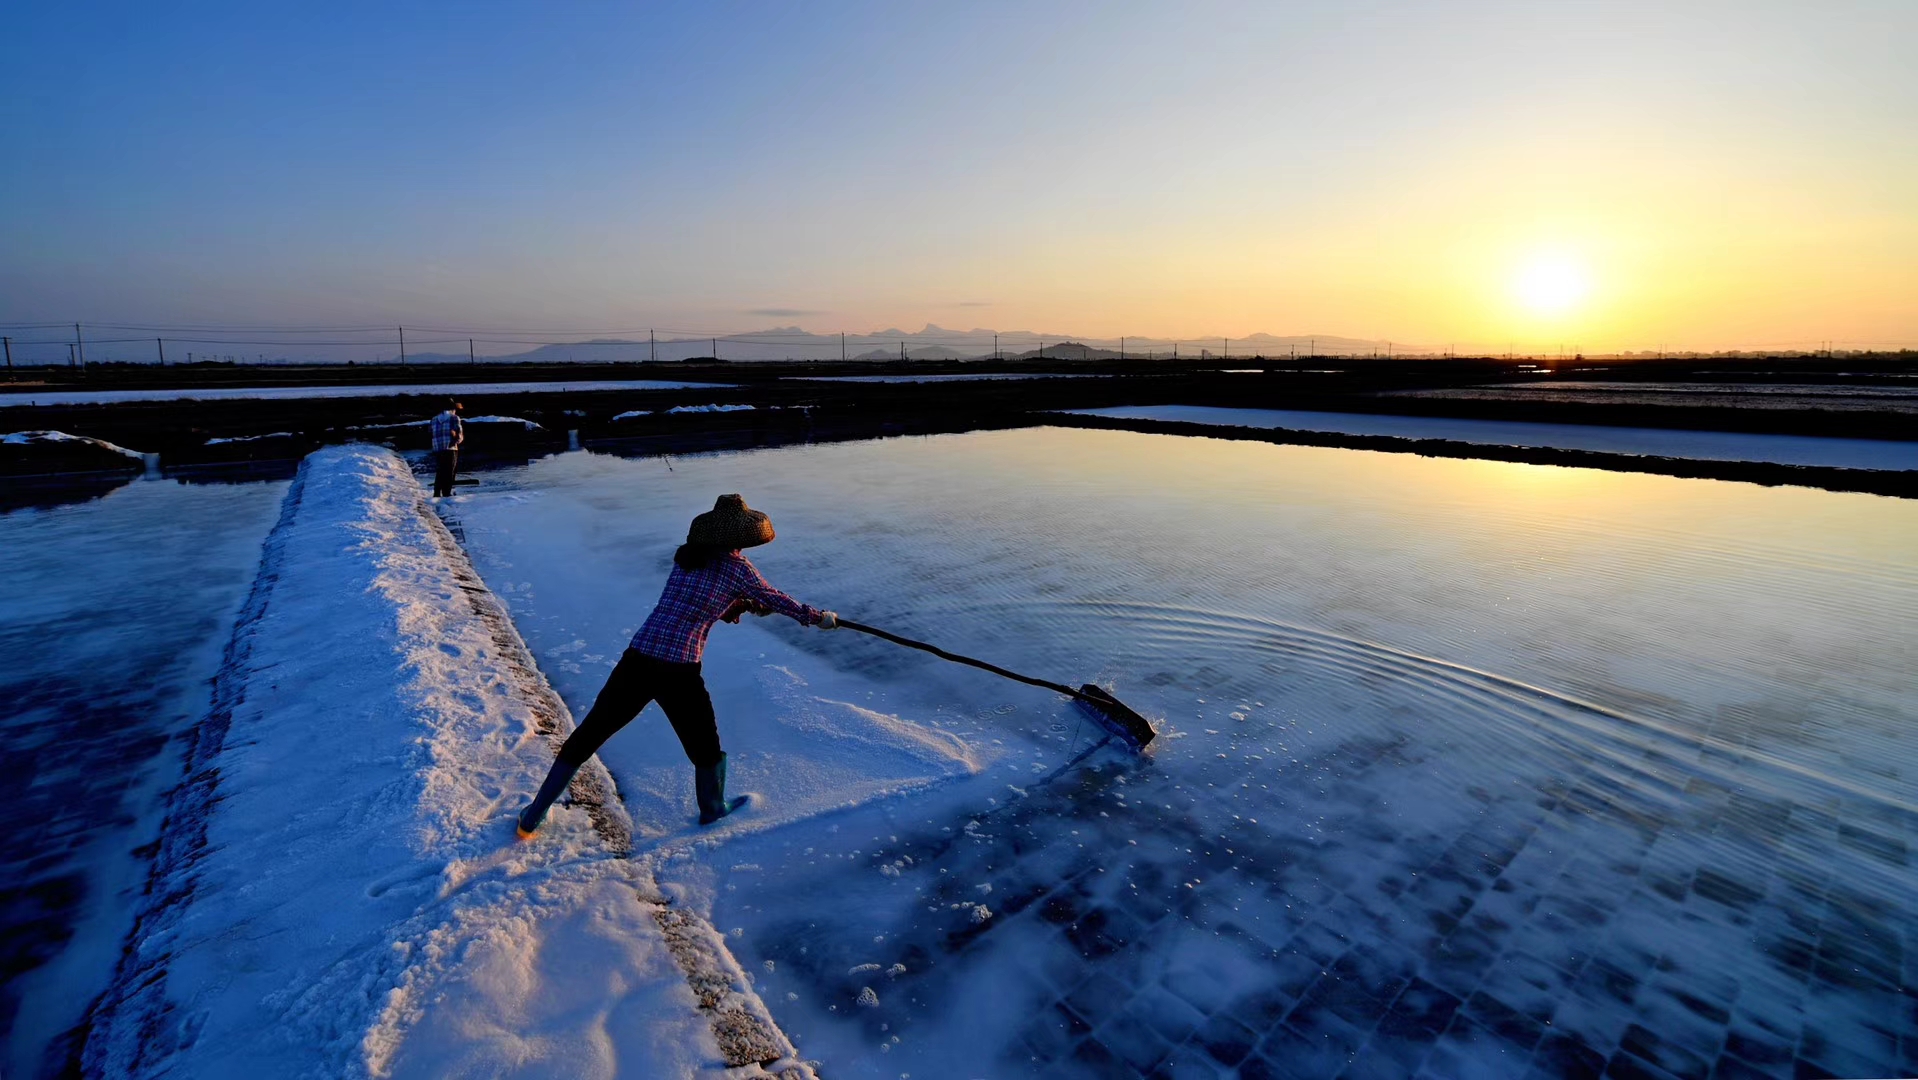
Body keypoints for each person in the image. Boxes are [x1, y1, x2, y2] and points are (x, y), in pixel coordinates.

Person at [517, 494, 838, 837]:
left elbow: (691, 598)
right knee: (705, 746)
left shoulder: (686, 559)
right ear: (739, 539)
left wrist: (729, 608)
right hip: (679, 669)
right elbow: (774, 598)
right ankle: (714, 809)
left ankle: (533, 816)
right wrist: (817, 618)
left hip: (638, 658)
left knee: (590, 735)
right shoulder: (738, 569)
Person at [430, 399, 464, 497]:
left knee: (440, 470)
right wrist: (457, 441)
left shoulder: (434, 419)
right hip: (450, 448)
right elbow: (459, 435)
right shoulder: (454, 418)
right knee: (449, 472)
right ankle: (446, 494)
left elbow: (430, 432)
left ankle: (437, 493)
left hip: (437, 448)